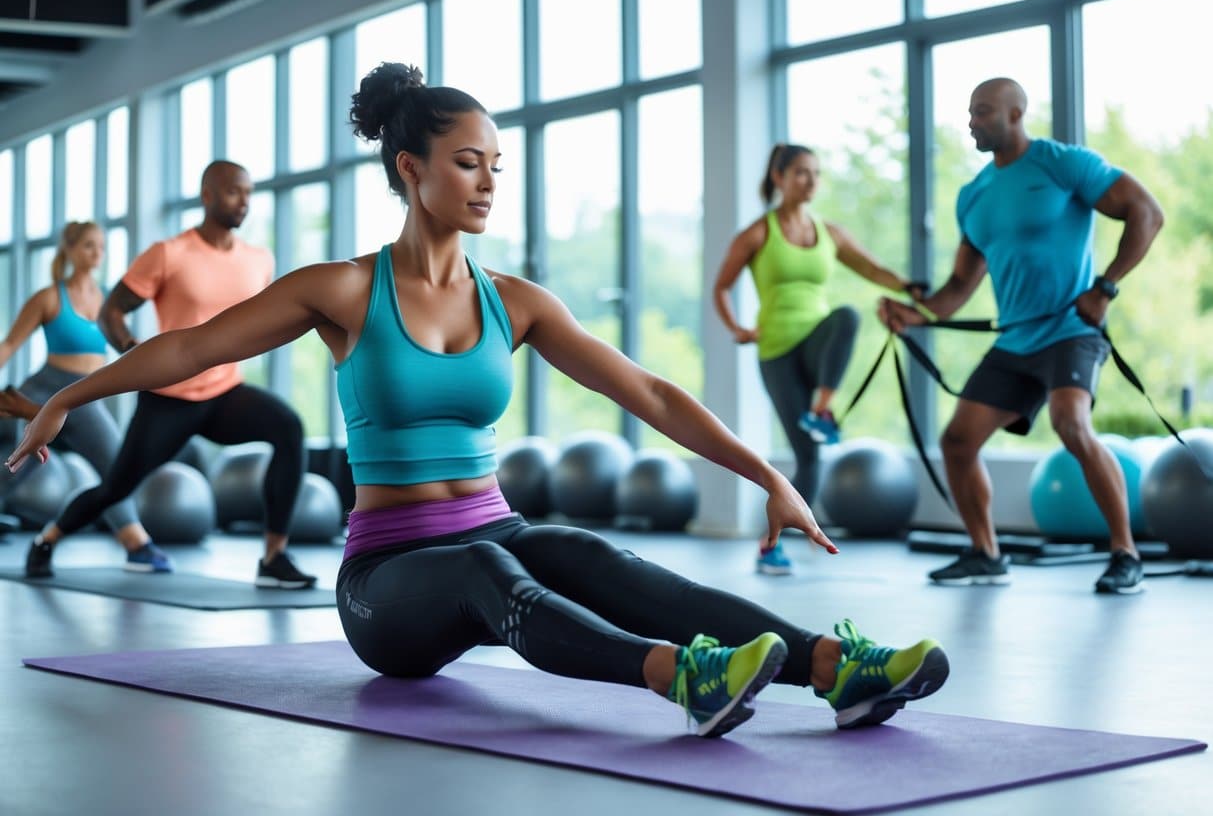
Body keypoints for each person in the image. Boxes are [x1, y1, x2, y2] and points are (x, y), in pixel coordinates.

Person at [7, 63, 949, 737]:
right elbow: (188, 345)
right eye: (467, 162)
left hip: (494, 529)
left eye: (496, 162)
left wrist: (765, 476)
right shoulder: (343, 290)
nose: (489, 180)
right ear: (410, 169)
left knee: (582, 551)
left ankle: (832, 669)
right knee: (483, 569)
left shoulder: (516, 302)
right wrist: (65, 398)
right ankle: (682, 680)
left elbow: (651, 392)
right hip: (387, 586)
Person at [878, 77, 1164, 595]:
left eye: (983, 111)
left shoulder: (1063, 164)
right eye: (970, 112)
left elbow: (1147, 212)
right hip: (1015, 342)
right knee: (957, 441)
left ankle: (1126, 554)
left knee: (1070, 423)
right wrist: (913, 314)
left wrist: (1104, 288)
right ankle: (986, 554)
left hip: (1071, 330)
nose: (972, 121)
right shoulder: (973, 196)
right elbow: (959, 287)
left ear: (1016, 114)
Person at [20, 162, 317, 589]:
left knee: (288, 427)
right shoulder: (169, 254)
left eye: (249, 193)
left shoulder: (259, 260)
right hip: (169, 397)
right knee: (116, 487)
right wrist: (133, 352)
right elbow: (111, 312)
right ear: (207, 195)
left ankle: (274, 557)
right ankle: (47, 539)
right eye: (234, 192)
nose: (244, 202)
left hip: (224, 391)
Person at [713, 143, 922, 575]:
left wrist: (909, 288)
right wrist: (738, 328)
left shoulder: (830, 233)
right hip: (776, 351)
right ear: (779, 177)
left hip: (816, 341)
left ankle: (821, 409)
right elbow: (721, 287)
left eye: (816, 173)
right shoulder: (759, 233)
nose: (811, 181)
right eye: (802, 172)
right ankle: (771, 546)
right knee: (808, 456)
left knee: (846, 316)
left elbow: (872, 269)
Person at [0, 222, 172, 573]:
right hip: (46, 389)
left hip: (88, 393)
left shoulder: (109, 301)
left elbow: (126, 347)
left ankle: (135, 543)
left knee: (115, 465)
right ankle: (136, 542)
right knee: (15, 469)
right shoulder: (49, 298)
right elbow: (10, 344)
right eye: (89, 245)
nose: (97, 253)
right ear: (70, 249)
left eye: (102, 247)